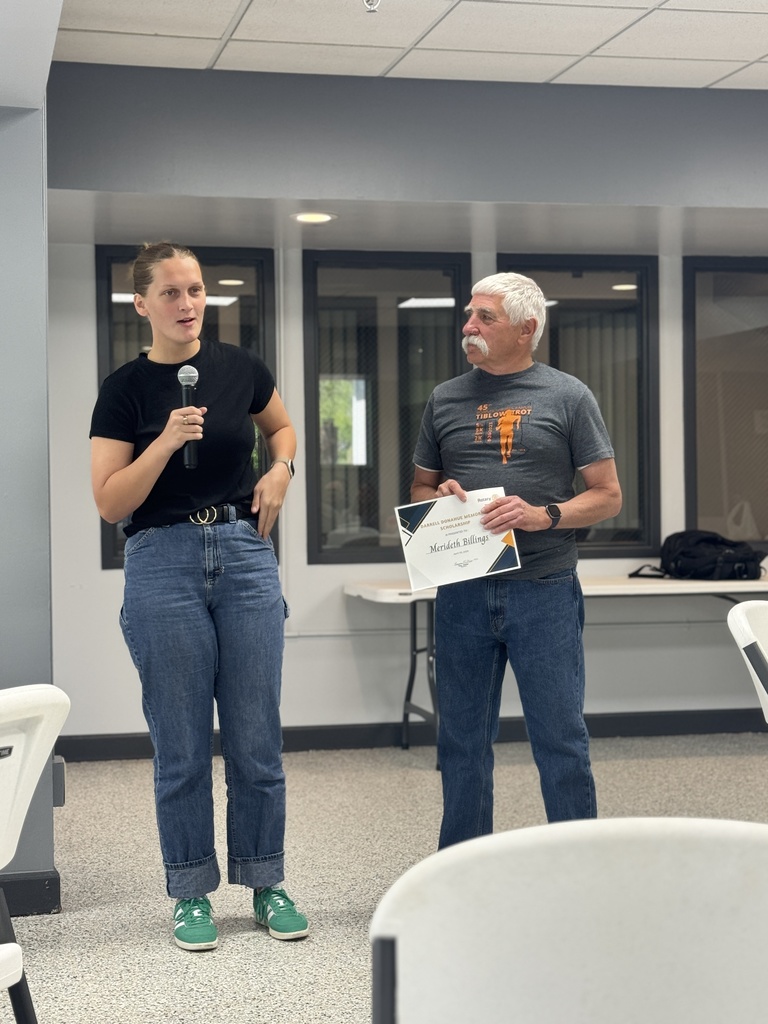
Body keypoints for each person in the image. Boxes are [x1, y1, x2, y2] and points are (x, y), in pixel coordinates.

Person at [90, 242, 308, 950]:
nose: (188, 305)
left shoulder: (238, 368)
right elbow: (109, 500)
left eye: (196, 290)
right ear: (141, 305)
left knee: (256, 737)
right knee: (181, 745)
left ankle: (267, 881)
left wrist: (281, 470)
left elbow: (280, 426)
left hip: (244, 555)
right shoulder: (124, 390)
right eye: (173, 293)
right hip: (162, 560)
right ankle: (189, 891)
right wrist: (162, 443)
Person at [410, 272, 622, 849]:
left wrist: (543, 515)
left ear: (527, 329)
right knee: (461, 741)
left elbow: (607, 494)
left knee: (559, 737)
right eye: (469, 314)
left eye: (485, 317)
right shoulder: (445, 398)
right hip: (463, 593)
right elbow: (419, 491)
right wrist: (441, 501)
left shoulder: (568, 396)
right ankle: (461, 865)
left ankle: (577, 863)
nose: (469, 326)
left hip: (544, 589)